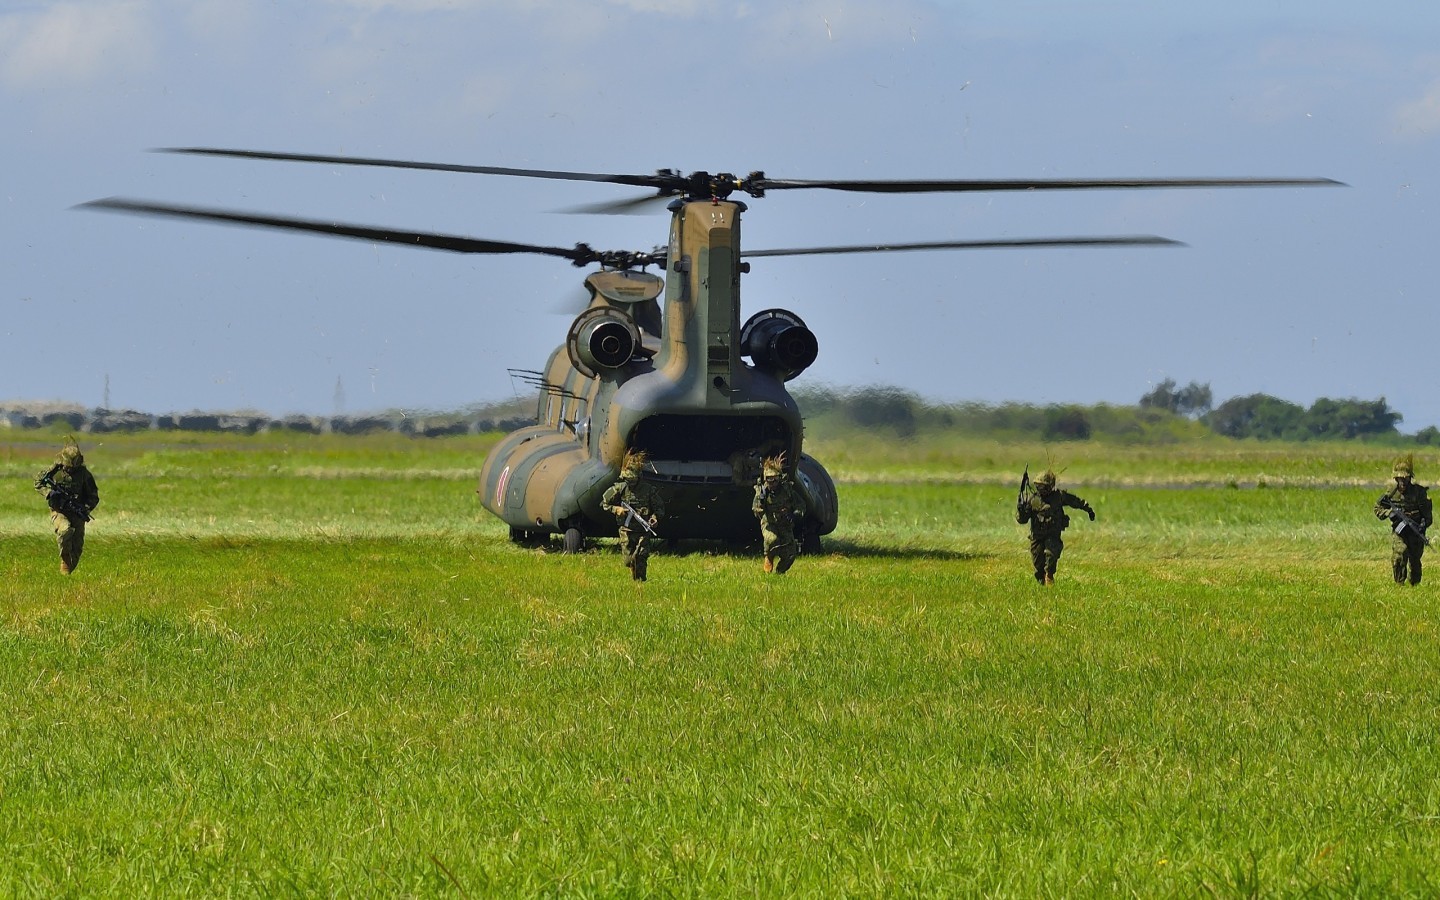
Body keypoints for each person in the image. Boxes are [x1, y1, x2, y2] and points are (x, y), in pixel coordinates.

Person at [1016, 469, 1094, 586]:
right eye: (1038, 486)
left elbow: (1075, 501)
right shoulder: (1032, 500)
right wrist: (1021, 511)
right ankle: (1042, 581)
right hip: (1037, 536)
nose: (1040, 490)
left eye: (1043, 487)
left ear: (1050, 486)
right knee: (1038, 563)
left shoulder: (1059, 497)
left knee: (1051, 555)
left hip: (1053, 534)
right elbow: (1022, 520)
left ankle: (1049, 576)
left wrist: (1088, 510)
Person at [34, 439, 100, 575]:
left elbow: (93, 496)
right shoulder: (54, 470)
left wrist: (85, 509)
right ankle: (64, 561)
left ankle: (67, 574)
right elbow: (38, 483)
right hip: (59, 511)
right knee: (65, 530)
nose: (68, 469)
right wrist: (50, 493)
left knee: (77, 549)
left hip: (77, 513)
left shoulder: (84, 475)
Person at [602, 449, 664, 581]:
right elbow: (604, 503)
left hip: (643, 529)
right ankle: (634, 572)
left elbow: (659, 508)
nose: (630, 483)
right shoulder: (620, 488)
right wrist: (616, 509)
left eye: (632, 480)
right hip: (626, 530)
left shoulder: (648, 490)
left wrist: (654, 518)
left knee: (641, 556)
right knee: (628, 560)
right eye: (627, 480)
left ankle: (640, 582)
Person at [1374, 455, 1431, 585]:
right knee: (1399, 554)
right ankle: (1399, 583)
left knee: (1415, 560)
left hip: (1415, 530)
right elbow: (1378, 508)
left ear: (1410, 478)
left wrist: (1423, 525)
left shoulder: (1419, 492)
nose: (1402, 482)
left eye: (1404, 478)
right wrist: (1390, 513)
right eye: (1399, 479)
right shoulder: (1391, 492)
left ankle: (1414, 585)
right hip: (1399, 531)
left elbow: (1427, 515)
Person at [753, 454, 805, 574]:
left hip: (785, 524)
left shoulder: (787, 491)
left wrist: (794, 515)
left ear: (779, 479)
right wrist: (761, 504)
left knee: (790, 554)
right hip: (770, 523)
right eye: (769, 480)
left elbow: (801, 505)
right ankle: (768, 557)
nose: (772, 483)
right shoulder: (762, 492)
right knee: (772, 540)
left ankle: (779, 573)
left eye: (775, 479)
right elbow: (756, 510)